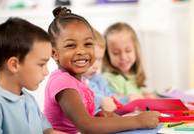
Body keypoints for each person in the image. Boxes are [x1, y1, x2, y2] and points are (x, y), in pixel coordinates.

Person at [44, 6, 160, 134]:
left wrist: (100, 115)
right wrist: (137, 121)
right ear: (54, 53)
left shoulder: (79, 80)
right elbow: (87, 126)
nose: (81, 51)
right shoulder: (63, 82)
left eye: (88, 44)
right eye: (71, 45)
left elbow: (85, 120)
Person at [0, 18, 64, 134]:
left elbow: (47, 131)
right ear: (14, 65)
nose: (46, 72)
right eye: (41, 64)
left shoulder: (28, 99)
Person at [103, 22, 155, 100]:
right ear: (107, 54)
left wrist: (146, 95)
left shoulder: (134, 75)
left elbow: (137, 93)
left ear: (135, 50)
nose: (123, 57)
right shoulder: (106, 79)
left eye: (128, 51)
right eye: (116, 53)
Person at [83, 29, 129, 113]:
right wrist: (100, 102)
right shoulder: (77, 83)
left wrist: (126, 99)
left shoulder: (99, 79)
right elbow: (83, 103)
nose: (96, 66)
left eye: (99, 59)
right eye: (91, 59)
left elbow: (110, 97)